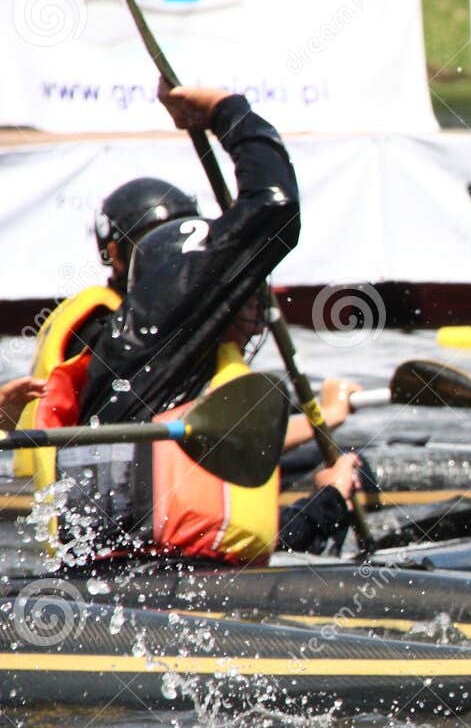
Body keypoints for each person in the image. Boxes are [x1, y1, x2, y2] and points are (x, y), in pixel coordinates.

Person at [30, 81, 358, 563]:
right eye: (236, 293)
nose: (250, 312)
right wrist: (227, 111)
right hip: (163, 583)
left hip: (136, 575)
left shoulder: (152, 355)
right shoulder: (156, 325)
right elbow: (274, 205)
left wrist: (326, 498)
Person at [17, 175, 360, 467]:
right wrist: (326, 416)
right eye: (148, 245)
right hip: (81, 475)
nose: (174, 265)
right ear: (115, 255)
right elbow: (186, 432)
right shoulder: (112, 329)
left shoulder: (133, 324)